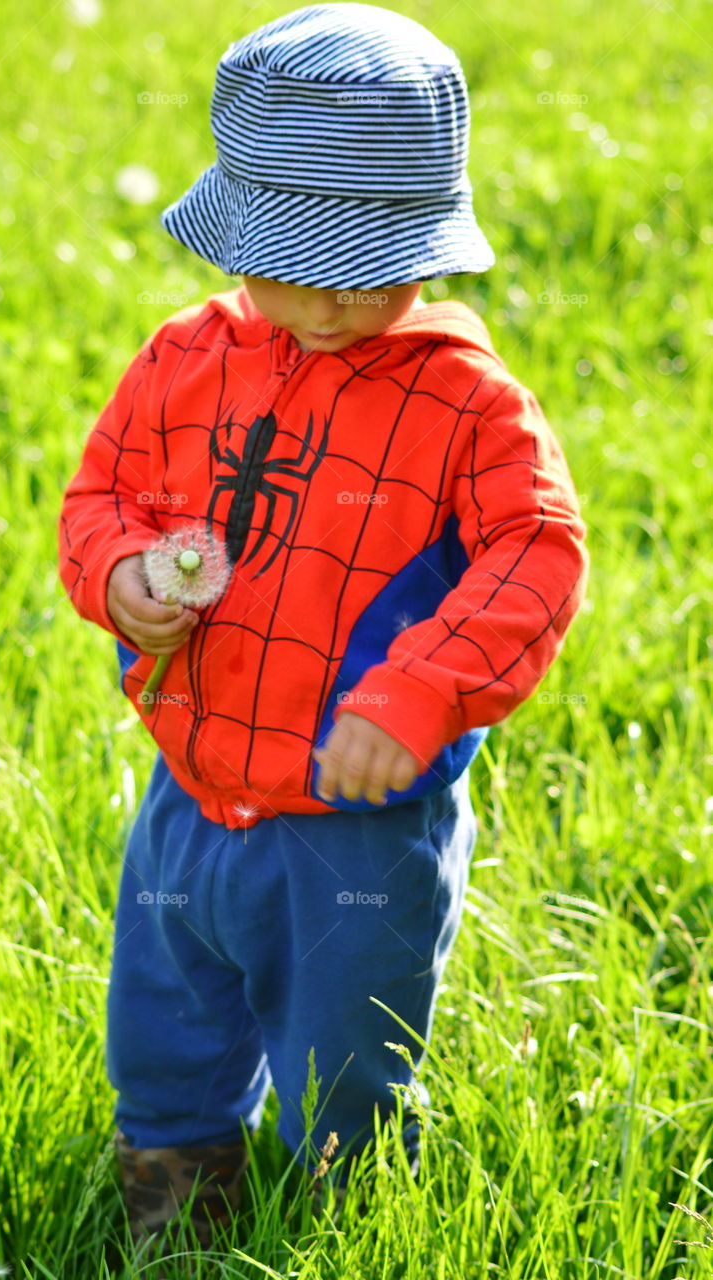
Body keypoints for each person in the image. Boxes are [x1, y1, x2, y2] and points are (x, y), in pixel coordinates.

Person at [57, 0, 589, 1258]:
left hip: (355, 820)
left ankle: (336, 1203)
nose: (329, 302)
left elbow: (536, 555)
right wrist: (120, 570)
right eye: (289, 262)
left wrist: (419, 692)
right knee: (164, 1011)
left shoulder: (469, 405)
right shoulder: (182, 358)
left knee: (346, 1038)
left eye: (367, 266)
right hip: (191, 782)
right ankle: (177, 1169)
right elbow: (102, 495)